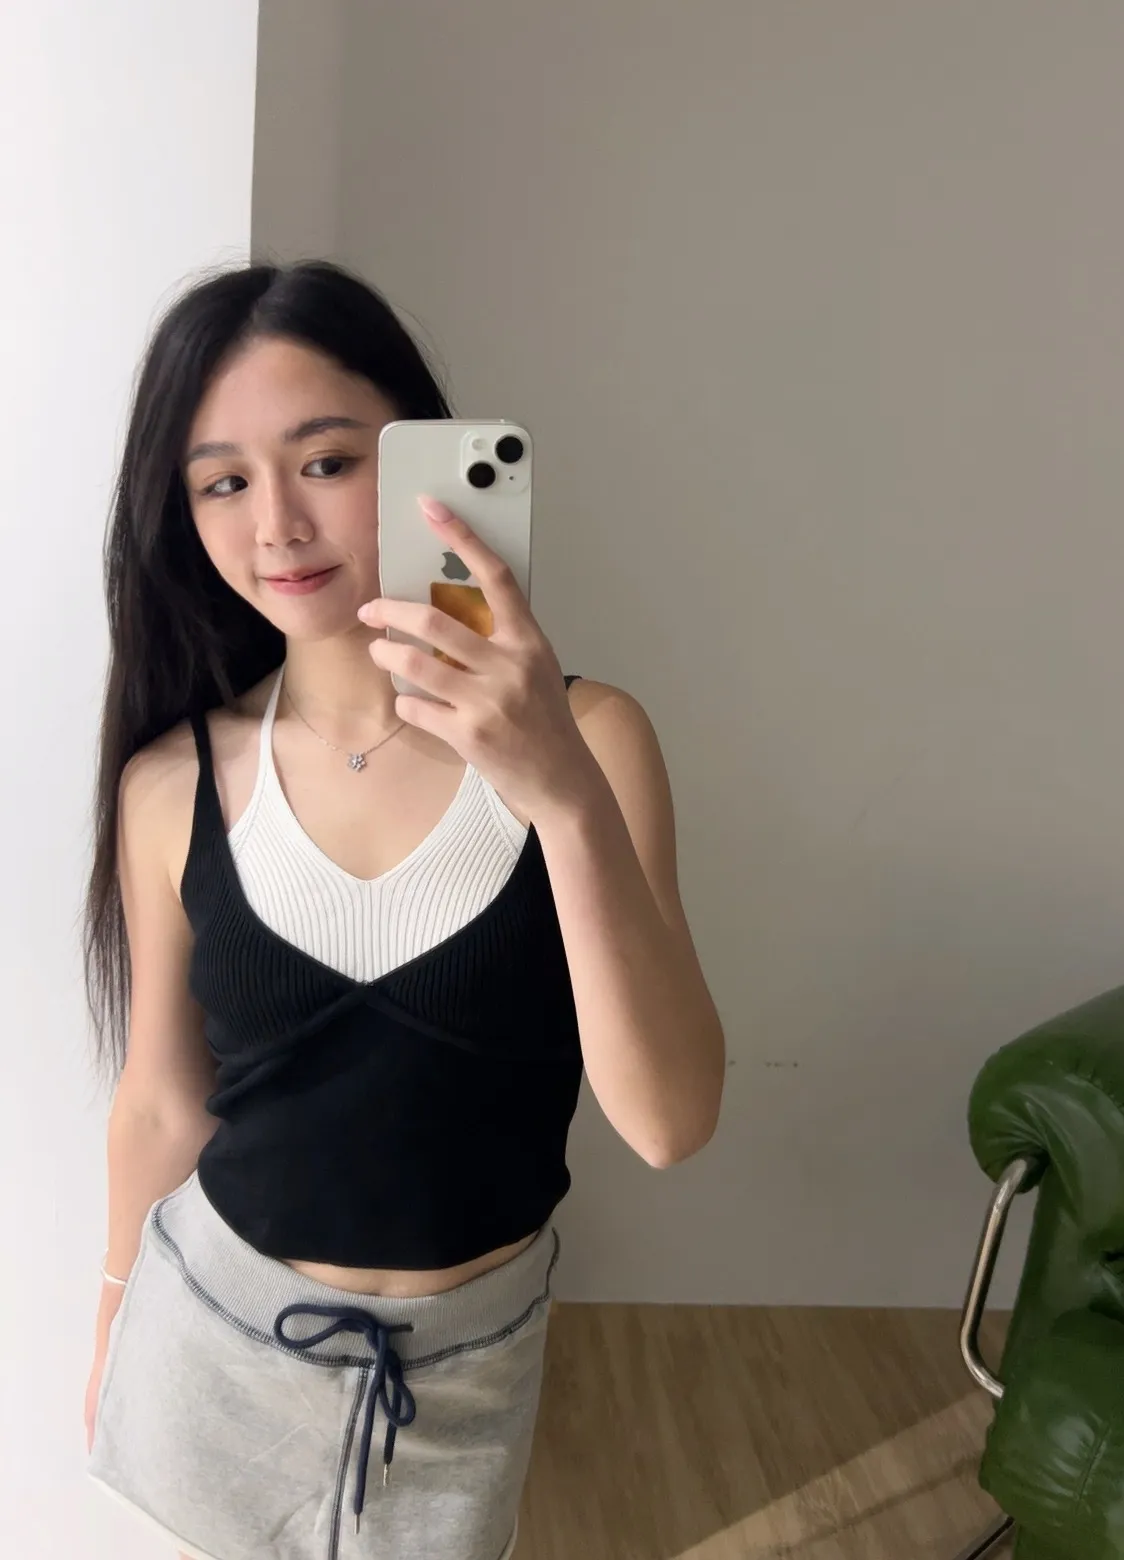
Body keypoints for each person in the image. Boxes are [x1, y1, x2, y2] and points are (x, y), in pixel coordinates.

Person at [81, 258, 724, 1560]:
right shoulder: (170, 784)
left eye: (326, 462)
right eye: (222, 482)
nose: (277, 524)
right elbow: (159, 1104)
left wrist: (560, 794)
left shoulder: (593, 742)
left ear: (425, 458)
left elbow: (668, 1122)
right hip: (204, 1364)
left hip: (458, 1388)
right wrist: (106, 1331)